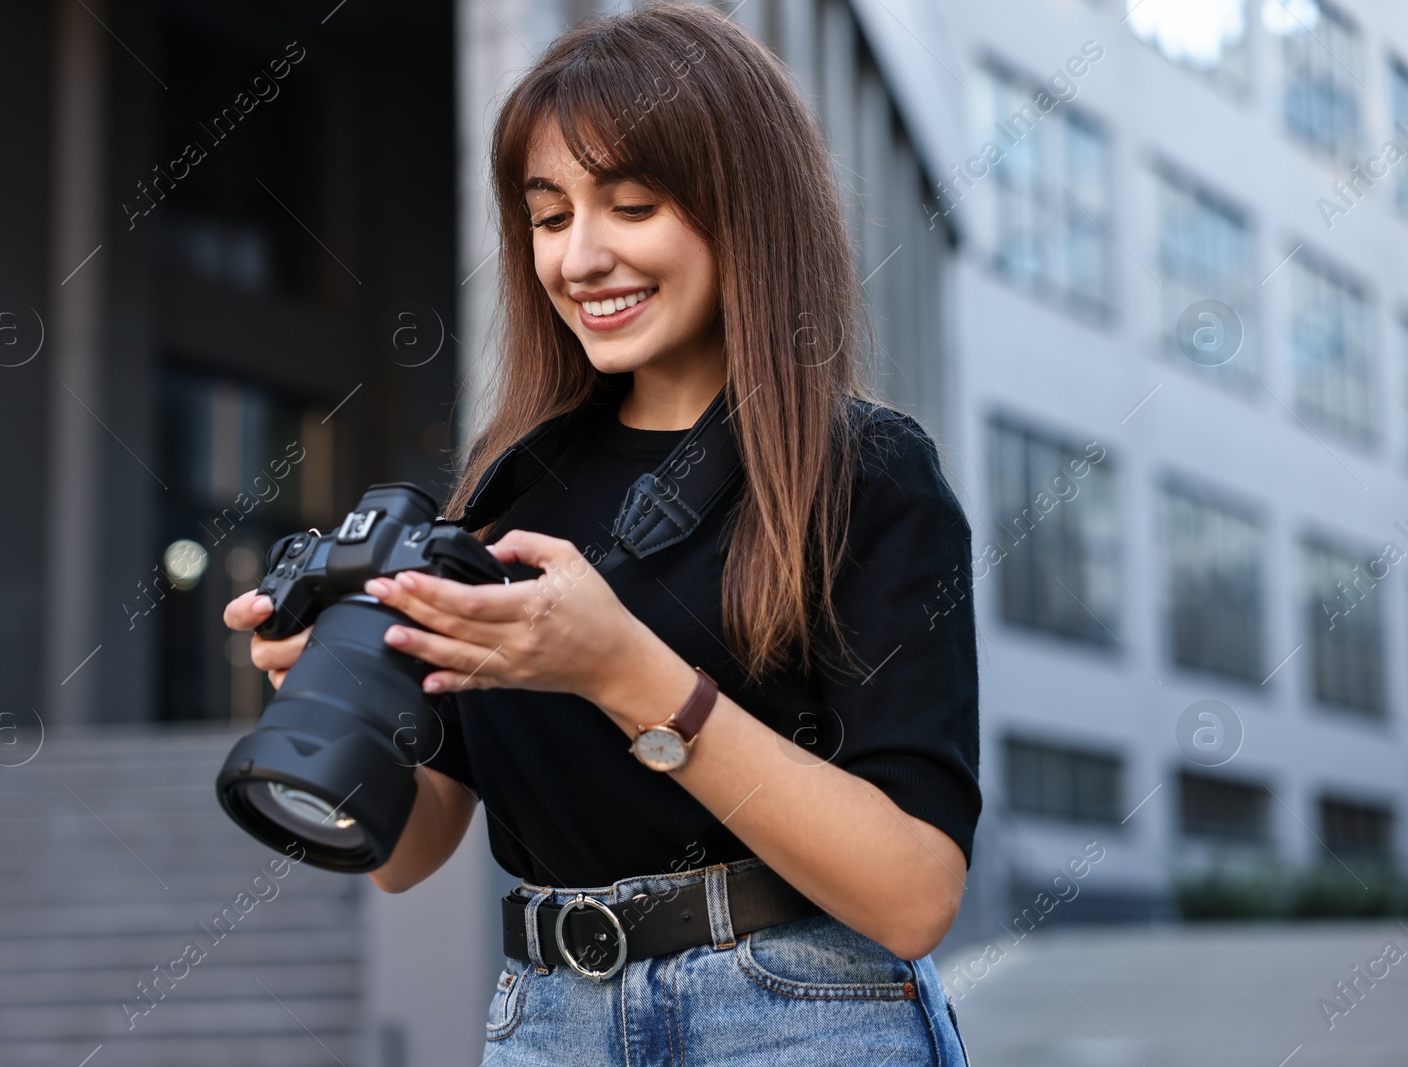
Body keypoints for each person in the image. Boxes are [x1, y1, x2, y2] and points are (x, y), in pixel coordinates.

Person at [224, 3, 978, 1062]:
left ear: (745, 212)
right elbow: (409, 852)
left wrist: (623, 669)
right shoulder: (509, 488)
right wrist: (331, 687)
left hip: (799, 1013)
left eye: (631, 205)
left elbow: (913, 893)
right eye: (547, 216)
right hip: (548, 1018)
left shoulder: (861, 474)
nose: (581, 257)